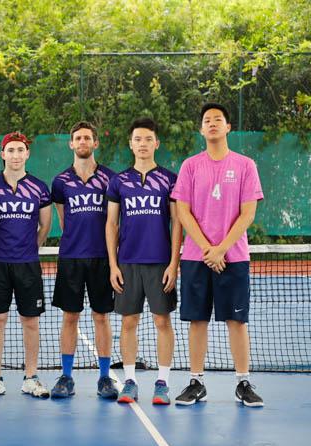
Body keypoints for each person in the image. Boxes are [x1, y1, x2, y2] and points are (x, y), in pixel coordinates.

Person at [171, 103, 264, 407]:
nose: (212, 123)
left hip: (233, 257)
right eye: (207, 120)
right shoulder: (190, 166)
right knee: (197, 320)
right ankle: (196, 382)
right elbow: (182, 211)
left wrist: (221, 249)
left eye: (218, 120)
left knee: (236, 322)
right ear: (201, 129)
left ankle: (243, 382)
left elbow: (248, 213)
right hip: (197, 258)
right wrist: (208, 249)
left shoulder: (245, 165)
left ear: (228, 128)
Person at [105, 118, 181, 405]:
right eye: (138, 139)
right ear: (131, 144)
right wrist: (113, 265)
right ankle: (130, 381)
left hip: (160, 262)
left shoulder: (170, 179)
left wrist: (174, 263)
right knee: (129, 322)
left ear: (156, 143)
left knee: (162, 320)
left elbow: (176, 223)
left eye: (148, 139)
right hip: (127, 263)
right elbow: (111, 225)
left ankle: (162, 382)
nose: (143, 144)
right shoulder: (118, 181)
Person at [0, 132, 52, 399]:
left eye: (20, 150)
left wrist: (33, 246)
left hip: (28, 264)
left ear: (27, 154)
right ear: (2, 154)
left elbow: (45, 225)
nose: (16, 155)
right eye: (11, 150)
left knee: (30, 321)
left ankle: (30, 377)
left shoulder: (39, 187)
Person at [50, 121, 118, 399]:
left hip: (102, 258)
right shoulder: (60, 182)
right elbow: (63, 220)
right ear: (71, 144)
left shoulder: (111, 179)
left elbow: (115, 221)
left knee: (101, 316)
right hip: (71, 258)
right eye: (78, 138)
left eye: (87, 138)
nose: (82, 142)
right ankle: (66, 377)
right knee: (70, 317)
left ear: (95, 143)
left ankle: (105, 378)